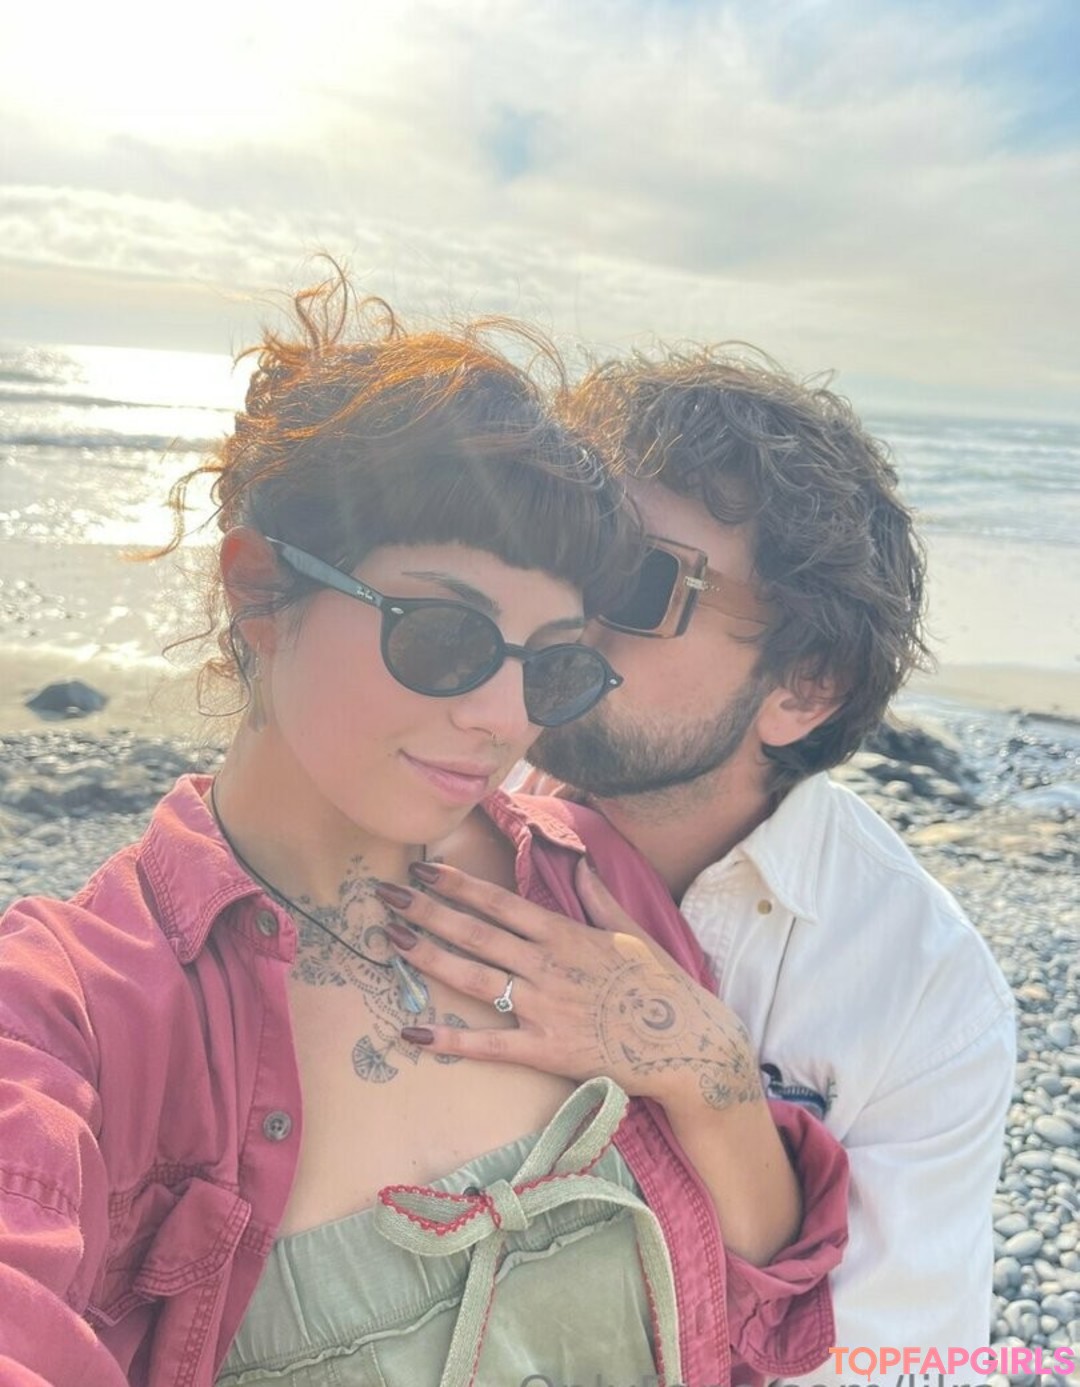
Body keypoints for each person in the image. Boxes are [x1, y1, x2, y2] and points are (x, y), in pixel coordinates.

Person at [0, 284, 847, 1387]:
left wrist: (714, 1072)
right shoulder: (75, 1013)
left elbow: (758, 1314)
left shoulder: (584, 880)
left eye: (551, 666)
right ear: (261, 592)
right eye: (446, 635)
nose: (503, 717)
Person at [407, 347, 1014, 1377]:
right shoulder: (427, 807)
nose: (570, 611)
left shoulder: (922, 988)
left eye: (640, 580)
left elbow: (890, 1359)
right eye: (570, 551)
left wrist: (714, 1084)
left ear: (806, 686)